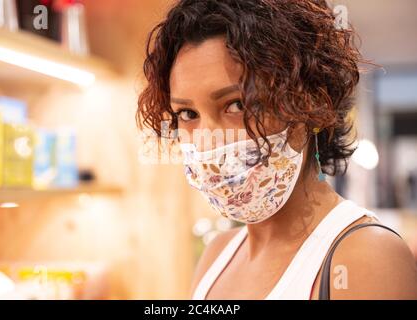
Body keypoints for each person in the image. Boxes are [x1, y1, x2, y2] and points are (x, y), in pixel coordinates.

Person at [136, 0, 417, 299]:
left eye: (236, 104)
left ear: (309, 106)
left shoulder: (366, 257)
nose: (208, 140)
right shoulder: (216, 255)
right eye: (188, 114)